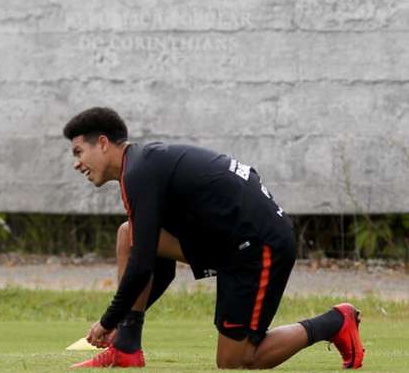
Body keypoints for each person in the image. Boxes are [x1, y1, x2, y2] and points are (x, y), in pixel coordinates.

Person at [63, 107, 364, 369]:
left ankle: (336, 321)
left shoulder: (140, 171)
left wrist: (107, 321)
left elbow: (142, 265)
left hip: (260, 245)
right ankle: (126, 350)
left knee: (238, 360)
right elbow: (158, 265)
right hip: (231, 246)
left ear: (102, 143)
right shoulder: (143, 166)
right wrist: (125, 324)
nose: (76, 163)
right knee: (128, 233)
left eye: (78, 152)